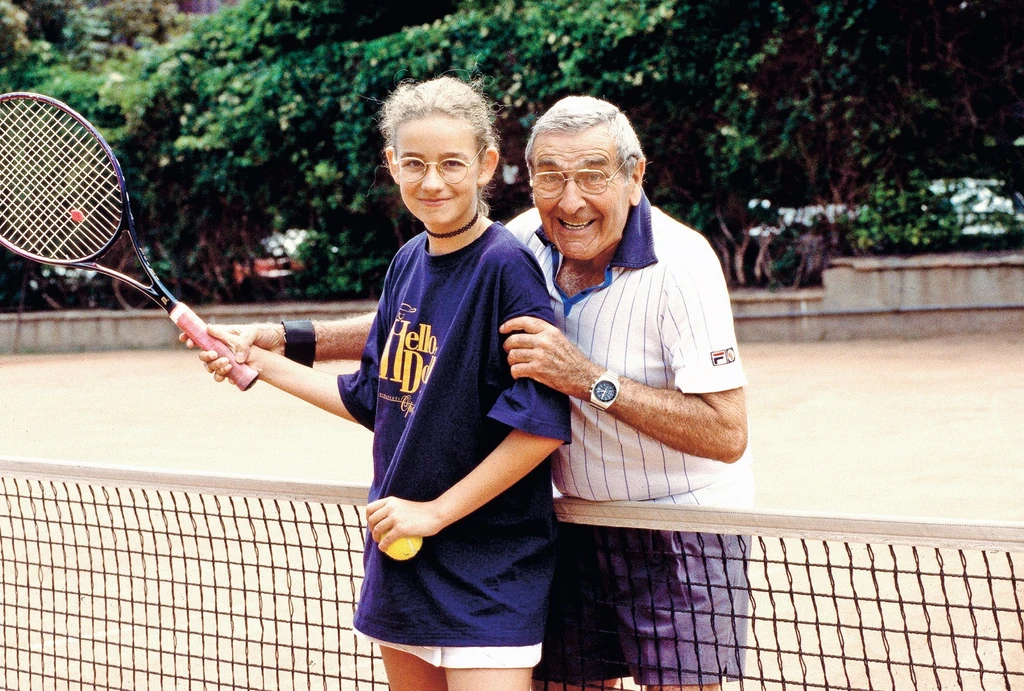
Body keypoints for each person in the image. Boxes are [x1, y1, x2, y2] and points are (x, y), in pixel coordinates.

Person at [191, 94, 752, 691]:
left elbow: (726, 434)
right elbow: (426, 326)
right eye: (550, 176)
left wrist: (590, 380)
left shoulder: (683, 265)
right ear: (524, 176)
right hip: (573, 518)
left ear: (634, 176)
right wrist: (280, 341)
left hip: (675, 526)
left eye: (593, 175)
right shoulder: (524, 240)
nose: (571, 200)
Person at [197, 76, 571, 691]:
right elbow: (374, 398)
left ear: (486, 165)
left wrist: (435, 513)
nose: (432, 182)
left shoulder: (507, 267)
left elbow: (541, 427)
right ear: (392, 164)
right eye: (415, 163)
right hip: (401, 563)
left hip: (490, 571)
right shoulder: (407, 262)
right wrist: (258, 359)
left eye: (452, 163)